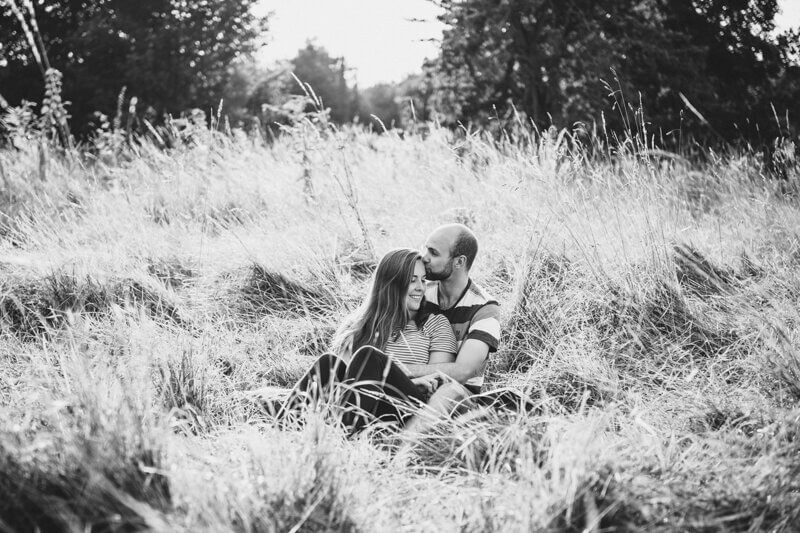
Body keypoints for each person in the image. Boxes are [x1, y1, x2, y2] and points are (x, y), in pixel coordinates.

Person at [278, 248, 458, 432]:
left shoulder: (436, 324)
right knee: (329, 363)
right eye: (412, 280)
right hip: (362, 405)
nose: (421, 287)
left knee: (369, 356)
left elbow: (436, 383)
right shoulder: (360, 326)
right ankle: (283, 431)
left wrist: (406, 379)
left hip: (407, 408)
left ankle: (342, 436)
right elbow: (345, 382)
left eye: (423, 279)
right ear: (391, 284)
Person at [401, 224, 530, 430]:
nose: (424, 257)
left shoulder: (485, 308)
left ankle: (402, 447)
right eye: (425, 249)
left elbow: (464, 371)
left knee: (449, 391)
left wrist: (401, 369)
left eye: (433, 253)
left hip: (459, 400)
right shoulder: (420, 291)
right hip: (415, 387)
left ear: (459, 262)